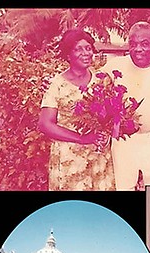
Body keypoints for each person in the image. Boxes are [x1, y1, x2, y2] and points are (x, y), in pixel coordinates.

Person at [102, 21, 150, 190]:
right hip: (124, 141)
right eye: (133, 44)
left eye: (144, 44)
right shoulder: (114, 66)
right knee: (124, 187)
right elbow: (96, 89)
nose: (138, 49)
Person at [38, 28, 114, 191]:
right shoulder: (58, 85)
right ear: (68, 55)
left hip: (99, 157)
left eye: (88, 48)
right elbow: (45, 124)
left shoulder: (102, 81)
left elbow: (112, 115)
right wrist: (82, 138)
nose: (86, 53)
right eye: (78, 49)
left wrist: (107, 134)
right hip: (70, 159)